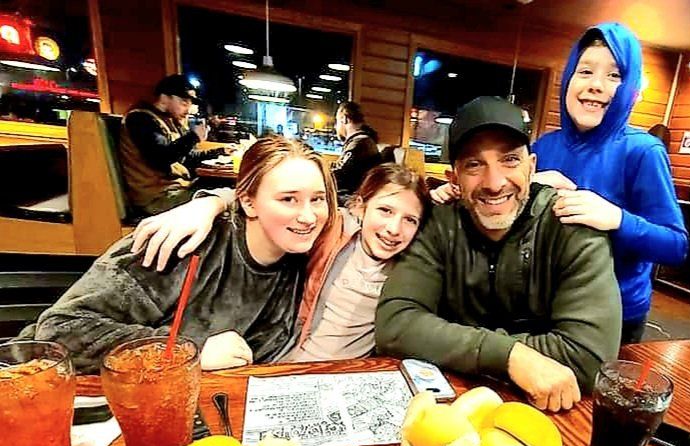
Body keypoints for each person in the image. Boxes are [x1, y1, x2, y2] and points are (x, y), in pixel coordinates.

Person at [376, 96, 622, 412]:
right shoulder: (439, 225)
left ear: (532, 167)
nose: (494, 183)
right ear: (455, 178)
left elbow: (588, 358)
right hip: (452, 406)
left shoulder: (572, 226)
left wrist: (454, 345)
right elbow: (395, 324)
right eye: (474, 164)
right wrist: (509, 356)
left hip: (550, 409)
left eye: (509, 160)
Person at [19, 136, 336, 373]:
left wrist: (216, 198)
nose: (308, 216)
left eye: (317, 199)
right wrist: (190, 351)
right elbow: (60, 330)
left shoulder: (300, 255)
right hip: (54, 392)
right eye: (288, 199)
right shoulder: (184, 241)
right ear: (249, 202)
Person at [127, 163, 431, 361]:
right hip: (285, 361)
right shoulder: (332, 229)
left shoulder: (413, 265)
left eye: (410, 220)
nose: (394, 228)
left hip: (346, 378)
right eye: (386, 211)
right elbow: (272, 199)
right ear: (361, 208)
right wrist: (209, 203)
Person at [531, 23, 688, 344]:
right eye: (585, 71)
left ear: (630, 87)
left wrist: (616, 218)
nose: (596, 85)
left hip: (613, 314)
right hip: (543, 304)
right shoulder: (544, 147)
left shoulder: (644, 150)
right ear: (568, 81)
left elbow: (676, 245)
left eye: (614, 76)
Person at [119, 74, 230, 215]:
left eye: (190, 104)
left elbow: (186, 158)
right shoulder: (140, 119)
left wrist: (220, 151)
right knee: (225, 199)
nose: (188, 109)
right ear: (165, 98)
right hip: (156, 198)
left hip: (176, 189)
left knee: (226, 188)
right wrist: (194, 137)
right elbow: (160, 159)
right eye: (184, 103)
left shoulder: (168, 120)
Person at [333, 101, 382, 205]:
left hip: (355, 198)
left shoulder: (360, 143)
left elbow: (339, 175)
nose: (335, 127)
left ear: (344, 119)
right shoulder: (363, 141)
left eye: (336, 122)